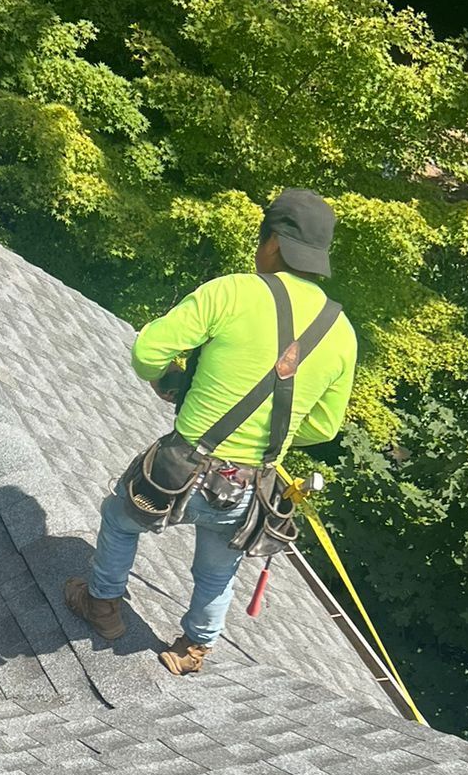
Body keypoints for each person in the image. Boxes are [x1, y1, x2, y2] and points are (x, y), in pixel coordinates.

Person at [65, 189, 358, 675]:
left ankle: (103, 608)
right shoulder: (341, 332)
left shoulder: (234, 291)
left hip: (179, 467)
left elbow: (147, 351)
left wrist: (172, 381)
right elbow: (324, 428)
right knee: (218, 570)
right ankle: (194, 648)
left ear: (272, 244)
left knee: (120, 519)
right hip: (250, 486)